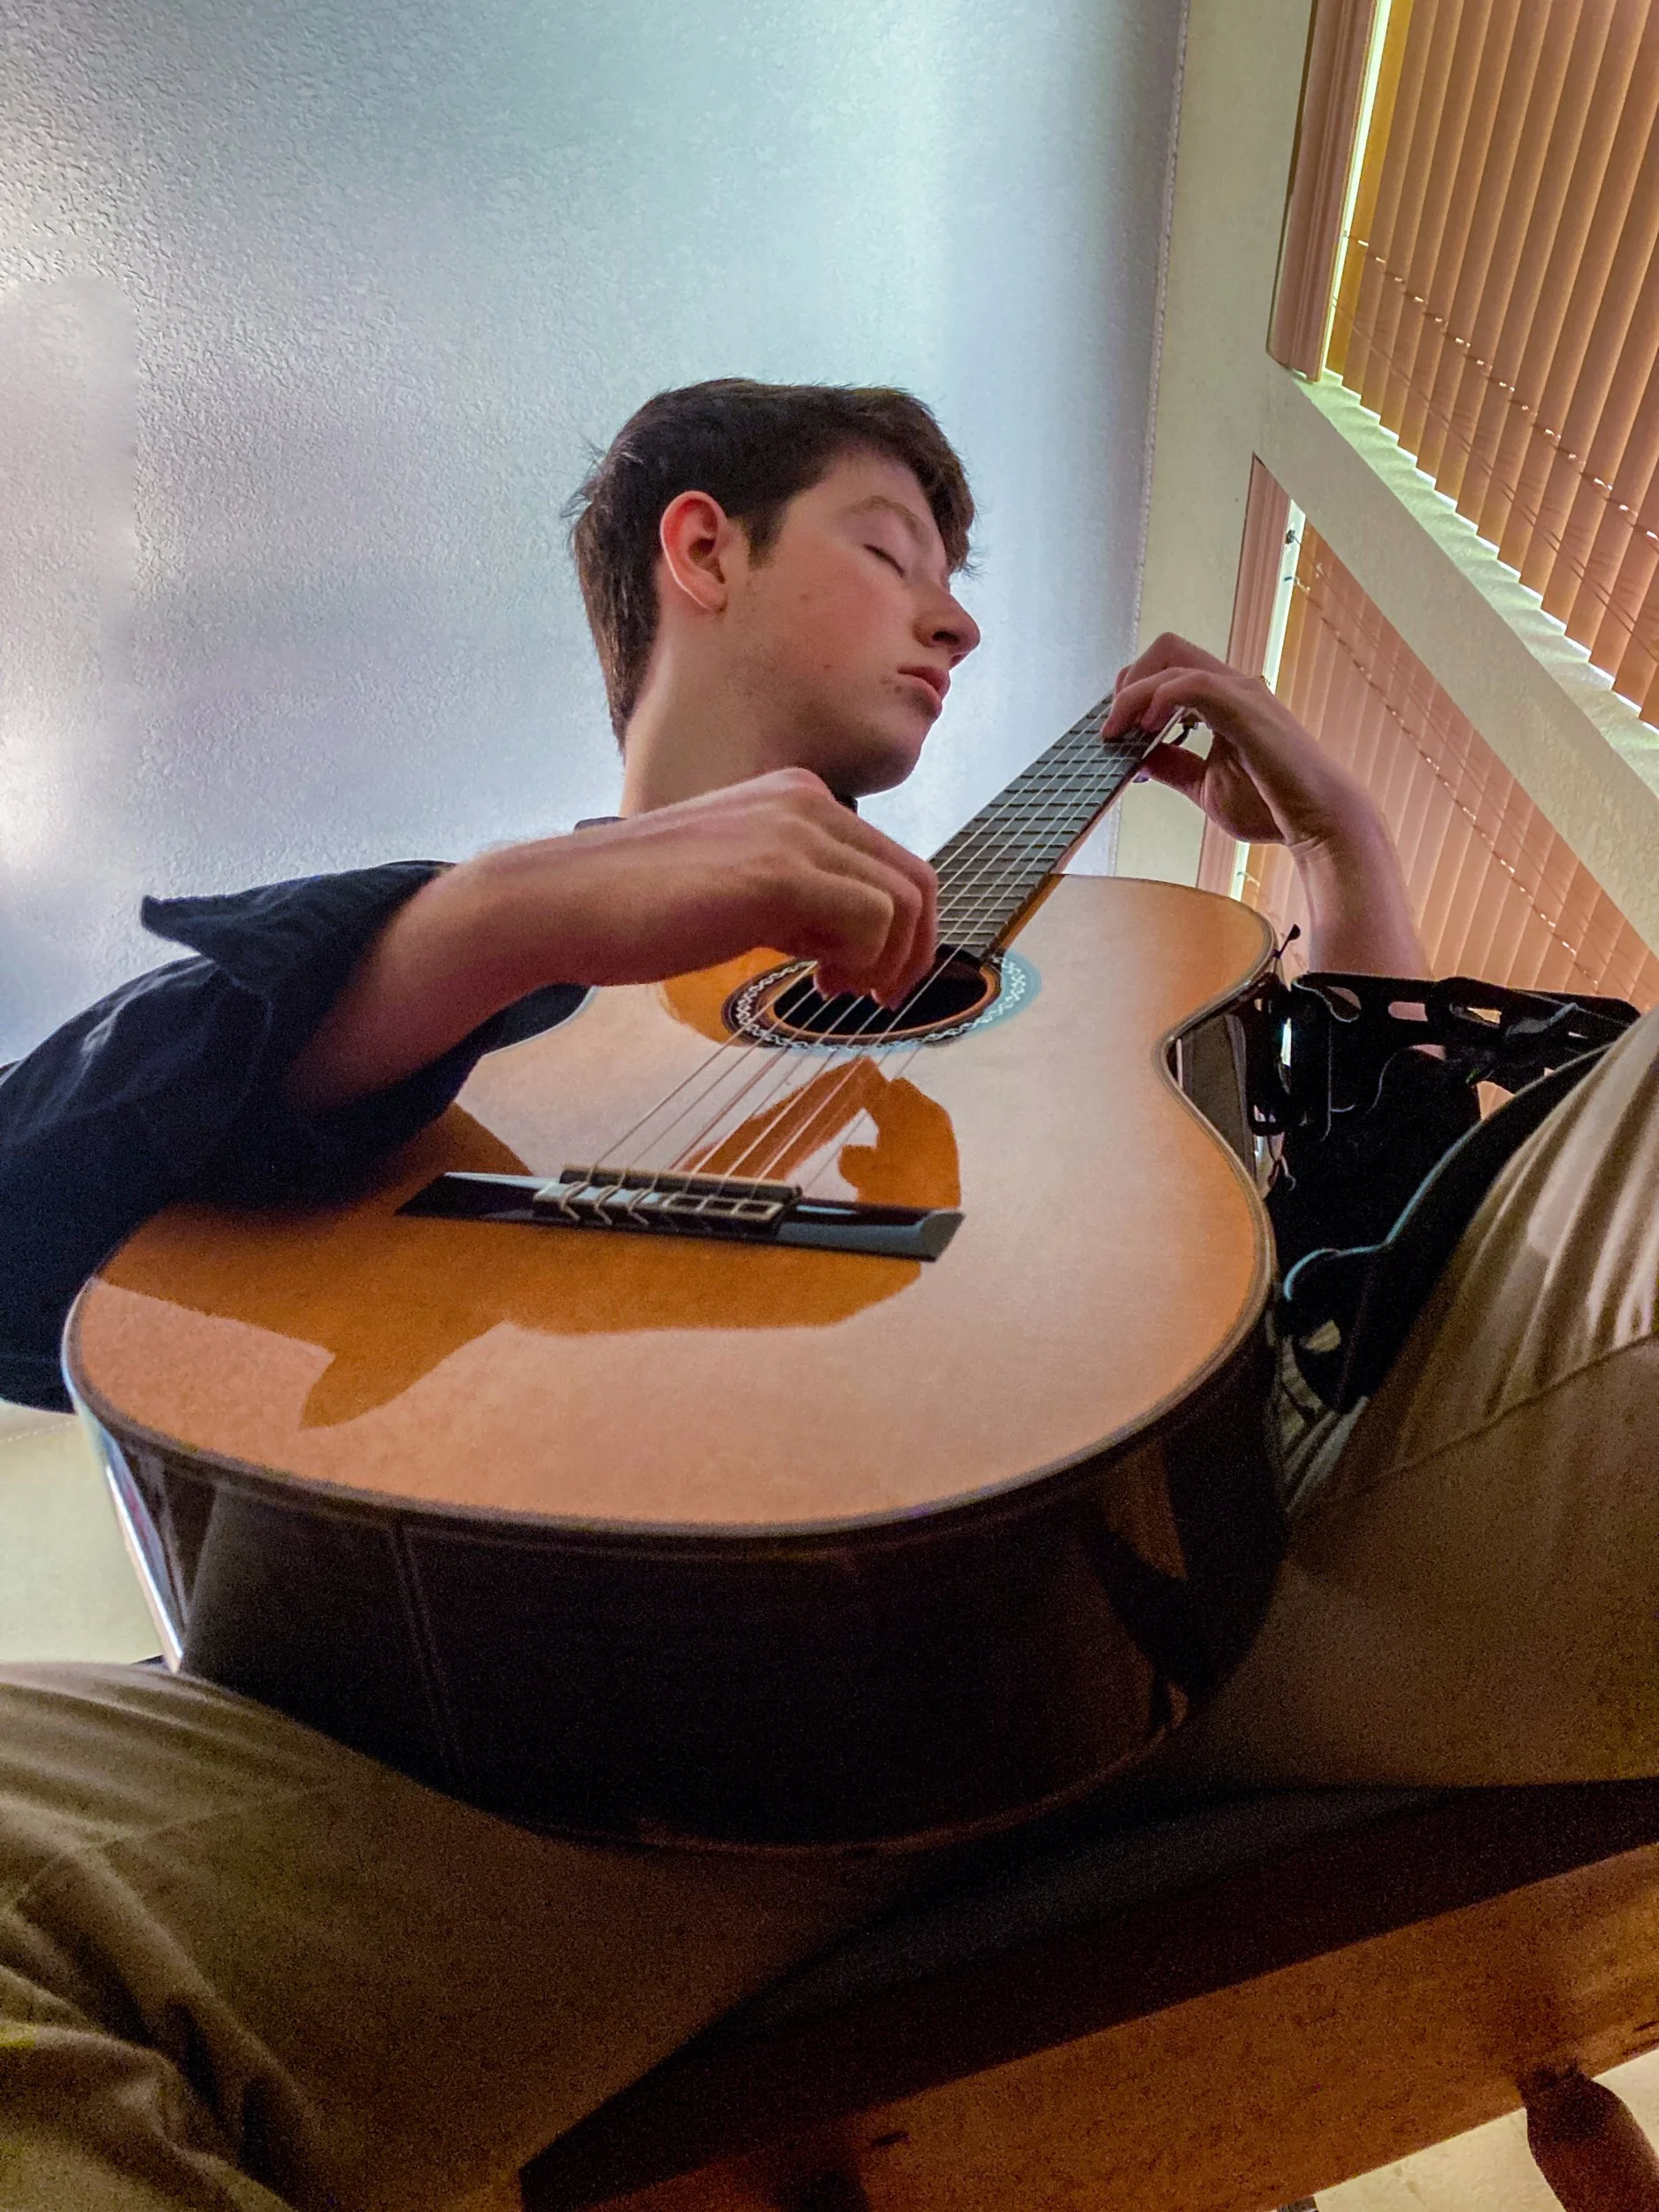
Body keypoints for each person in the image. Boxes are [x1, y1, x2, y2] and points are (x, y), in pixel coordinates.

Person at [0, 378, 1653, 2208]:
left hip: (1192, 1573)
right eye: (891, 548)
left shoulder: (1114, 952)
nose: (958, 615)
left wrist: (1344, 857)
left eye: (956, 578)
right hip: (507, 1756)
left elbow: (1368, 1234)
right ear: (699, 544)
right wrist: (492, 921)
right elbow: (21, 1229)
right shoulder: (434, 952)